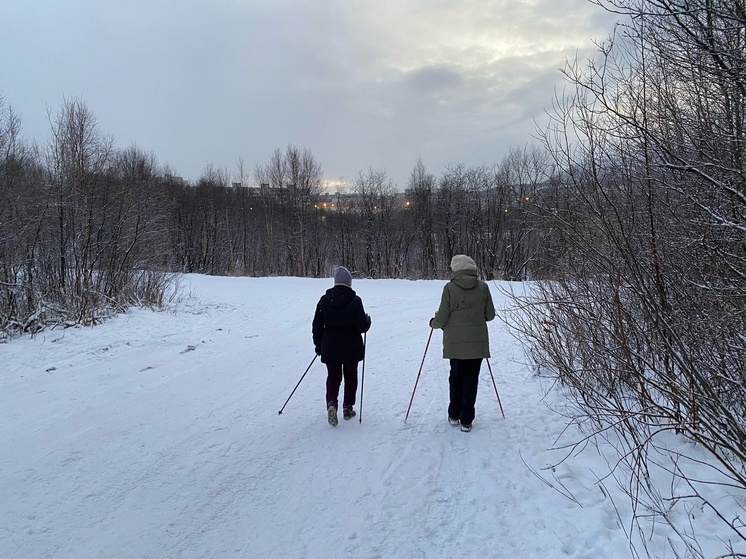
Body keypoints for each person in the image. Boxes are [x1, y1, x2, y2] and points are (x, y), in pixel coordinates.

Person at [429, 254, 495, 432]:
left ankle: (453, 414)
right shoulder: (483, 287)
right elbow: (490, 315)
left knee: (456, 377)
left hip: (455, 343)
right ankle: (467, 420)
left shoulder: (449, 288)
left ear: (455, 269)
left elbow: (442, 316)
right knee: (471, 380)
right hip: (477, 343)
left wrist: (434, 323)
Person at [312, 266, 371, 426]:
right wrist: (368, 321)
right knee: (351, 376)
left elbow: (317, 325)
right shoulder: (356, 300)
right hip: (351, 346)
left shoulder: (324, 300)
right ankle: (347, 408)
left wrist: (318, 345)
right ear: (349, 283)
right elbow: (361, 327)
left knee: (333, 376)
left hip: (330, 346)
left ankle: (332, 403)